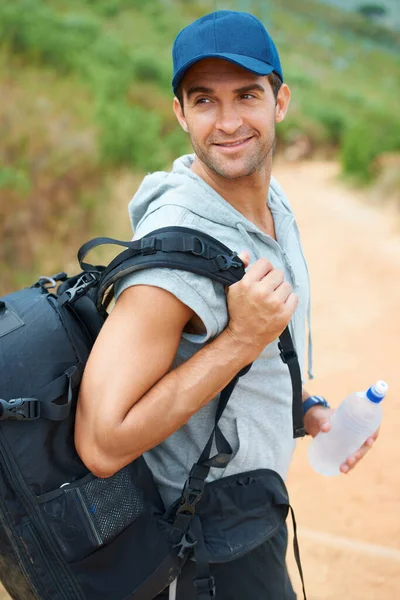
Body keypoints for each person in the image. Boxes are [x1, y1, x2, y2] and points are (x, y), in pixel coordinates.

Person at [74, 10, 379, 599]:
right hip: (201, 554)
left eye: (247, 94)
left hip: (247, 517)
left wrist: (305, 411)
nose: (230, 122)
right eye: (205, 100)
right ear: (180, 113)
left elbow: (249, 365)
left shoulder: (270, 203)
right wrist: (241, 339)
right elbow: (101, 442)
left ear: (280, 100)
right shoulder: (172, 259)